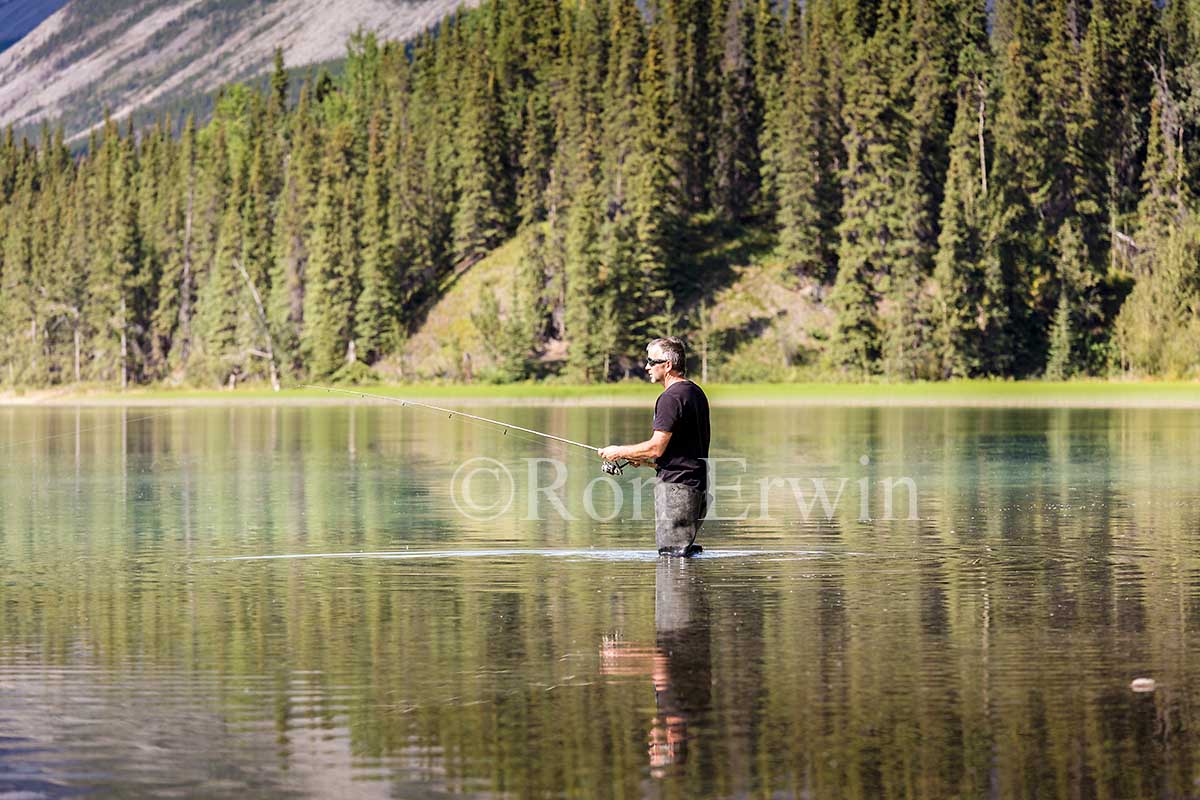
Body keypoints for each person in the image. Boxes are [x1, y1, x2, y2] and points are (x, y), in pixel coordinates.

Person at [599, 337, 710, 556]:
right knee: (682, 556)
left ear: (667, 365)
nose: (647, 366)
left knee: (671, 558)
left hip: (676, 491)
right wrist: (646, 462)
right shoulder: (694, 393)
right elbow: (684, 452)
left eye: (651, 361)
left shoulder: (670, 398)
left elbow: (656, 447)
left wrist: (618, 451)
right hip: (696, 487)